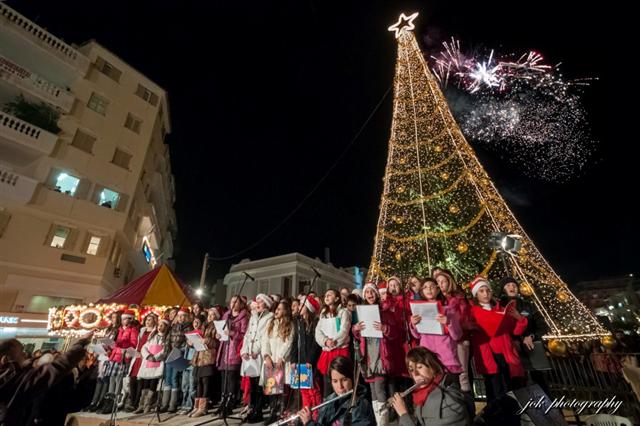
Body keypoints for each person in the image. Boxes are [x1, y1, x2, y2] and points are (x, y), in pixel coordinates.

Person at [0, 336, 91, 426]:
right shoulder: (14, 381)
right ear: (5, 360)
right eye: (21, 352)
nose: (25, 354)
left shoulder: (10, 378)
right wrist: (80, 343)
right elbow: (55, 369)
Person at [469, 277, 528, 404]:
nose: (486, 294)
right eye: (481, 291)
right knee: (494, 391)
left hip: (506, 354)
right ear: (476, 294)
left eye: (488, 290)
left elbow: (516, 331)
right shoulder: (472, 312)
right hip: (489, 355)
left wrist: (519, 318)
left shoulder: (500, 309)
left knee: (512, 390)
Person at [391, 347, 470, 425]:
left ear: (433, 367)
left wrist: (404, 414)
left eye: (419, 367)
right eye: (411, 370)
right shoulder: (423, 395)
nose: (415, 374)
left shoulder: (448, 401)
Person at [298, 356, 375, 426]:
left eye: (344, 380)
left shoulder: (360, 407)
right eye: (335, 381)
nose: (340, 386)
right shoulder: (328, 402)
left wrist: (310, 423)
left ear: (352, 379)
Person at [240, 293, 274, 423]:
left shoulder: (269, 317)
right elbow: (248, 335)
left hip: (260, 354)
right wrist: (244, 350)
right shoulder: (253, 317)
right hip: (250, 355)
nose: (257, 304)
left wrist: (255, 350)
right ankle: (252, 409)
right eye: (257, 301)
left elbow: (265, 336)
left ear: (266, 304)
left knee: (260, 384)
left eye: (260, 302)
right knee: (252, 384)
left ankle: (258, 411)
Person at [262, 300, 294, 424]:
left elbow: (289, 342)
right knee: (272, 389)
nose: (276, 311)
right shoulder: (271, 324)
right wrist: (266, 356)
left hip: (282, 361)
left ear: (285, 311)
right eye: (276, 309)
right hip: (271, 360)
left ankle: (281, 413)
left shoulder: (289, 325)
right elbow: (265, 341)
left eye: (280, 309)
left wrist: (281, 357)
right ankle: (272, 412)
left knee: (282, 390)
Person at [315, 289, 351, 397]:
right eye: (325, 295)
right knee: (327, 383)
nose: (326, 297)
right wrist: (325, 341)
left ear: (336, 298)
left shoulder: (343, 312)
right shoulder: (323, 314)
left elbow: (344, 330)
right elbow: (318, 331)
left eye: (329, 295)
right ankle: (328, 408)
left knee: (341, 380)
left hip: (339, 349)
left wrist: (334, 341)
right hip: (327, 351)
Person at [134, 317, 170, 414]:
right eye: (159, 325)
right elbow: (144, 347)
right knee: (145, 382)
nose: (160, 327)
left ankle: (148, 405)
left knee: (153, 383)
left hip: (157, 362)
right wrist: (148, 355)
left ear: (166, 327)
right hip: (148, 361)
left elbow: (165, 350)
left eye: (162, 325)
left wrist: (156, 357)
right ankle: (141, 404)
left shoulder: (166, 338)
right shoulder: (153, 336)